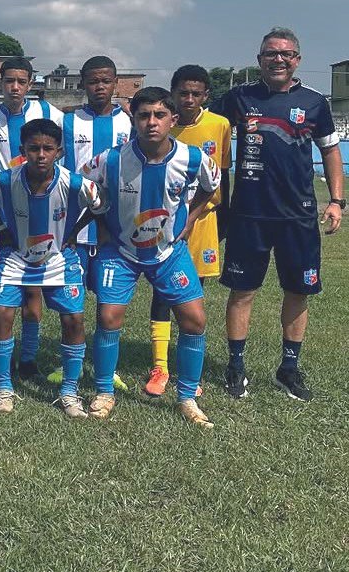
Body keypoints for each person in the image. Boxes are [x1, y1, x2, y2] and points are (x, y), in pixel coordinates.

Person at [215, 27, 343, 401]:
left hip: (298, 217)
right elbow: (202, 126)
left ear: (297, 59)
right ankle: (235, 365)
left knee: (298, 291)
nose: (278, 59)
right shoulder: (238, 98)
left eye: (286, 53)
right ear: (259, 60)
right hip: (249, 215)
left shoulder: (315, 102)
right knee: (242, 291)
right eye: (271, 53)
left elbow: (331, 153)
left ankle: (289, 368)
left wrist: (337, 200)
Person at [83, 87, 219, 427]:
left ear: (173, 119)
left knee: (195, 320)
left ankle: (187, 398)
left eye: (159, 115)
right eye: (144, 115)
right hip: (121, 252)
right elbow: (82, 188)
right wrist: (98, 225)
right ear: (134, 119)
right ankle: (104, 391)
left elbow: (211, 185)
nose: (151, 123)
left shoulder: (193, 158)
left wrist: (190, 218)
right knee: (109, 317)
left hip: (168, 252)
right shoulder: (110, 159)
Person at [0, 119, 106, 418]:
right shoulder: (2, 180)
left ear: (59, 152)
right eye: (33, 148)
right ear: (22, 150)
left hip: (58, 260)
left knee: (74, 320)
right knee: (1, 315)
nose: (40, 154)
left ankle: (68, 392)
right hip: (15, 258)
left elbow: (100, 207)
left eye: (47, 149)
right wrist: (1, 226)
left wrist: (74, 232)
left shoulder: (75, 183)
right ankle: (3, 388)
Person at [143, 65, 230, 397]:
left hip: (202, 220)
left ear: (206, 95)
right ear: (174, 93)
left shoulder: (219, 125)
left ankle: (186, 368)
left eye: (196, 94)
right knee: (162, 293)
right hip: (162, 223)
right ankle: (160, 366)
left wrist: (221, 218)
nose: (189, 99)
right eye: (183, 93)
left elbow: (222, 175)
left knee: (192, 296)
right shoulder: (163, 125)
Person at [45, 55, 132, 388]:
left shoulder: (128, 123)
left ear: (115, 83)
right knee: (74, 301)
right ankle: (72, 364)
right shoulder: (68, 123)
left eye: (106, 80)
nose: (100, 87)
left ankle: (105, 366)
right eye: (93, 81)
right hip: (75, 228)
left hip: (116, 229)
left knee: (108, 302)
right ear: (82, 83)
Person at [0, 57, 64, 379]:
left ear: (30, 83)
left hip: (40, 213)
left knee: (33, 289)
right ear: (1, 83)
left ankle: (28, 357)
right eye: (8, 81)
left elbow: (61, 155)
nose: (14, 87)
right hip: (1, 215)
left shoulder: (51, 115)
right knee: (0, 288)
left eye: (21, 81)